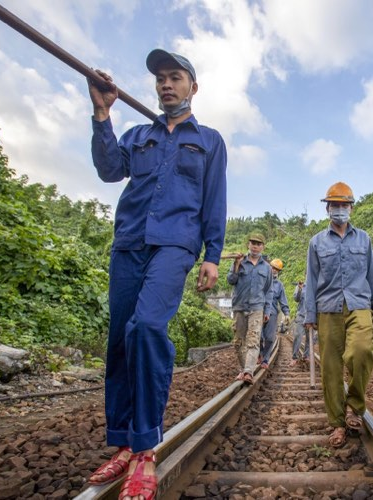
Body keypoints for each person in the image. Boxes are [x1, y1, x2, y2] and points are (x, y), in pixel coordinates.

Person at [86, 49, 227, 500]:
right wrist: (102, 113)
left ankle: (146, 448)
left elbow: (214, 199)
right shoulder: (135, 135)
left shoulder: (208, 140)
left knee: (146, 328)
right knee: (121, 341)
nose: (167, 84)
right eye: (161, 79)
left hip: (175, 245)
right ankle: (125, 443)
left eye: (176, 77)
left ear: (193, 87)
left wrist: (213, 254)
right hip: (128, 243)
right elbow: (109, 170)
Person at [304, 182, 373, 448]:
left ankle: (355, 406)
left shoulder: (364, 239)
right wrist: (309, 314)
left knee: (360, 352)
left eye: (344, 205)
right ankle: (337, 424)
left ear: (351, 208)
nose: (339, 210)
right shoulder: (316, 242)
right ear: (328, 208)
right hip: (328, 308)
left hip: (359, 305)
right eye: (335, 205)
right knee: (330, 368)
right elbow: (311, 278)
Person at [227, 233, 274, 384]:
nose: (255, 246)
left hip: (257, 307)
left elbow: (269, 290)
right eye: (253, 243)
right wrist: (236, 265)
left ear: (263, 247)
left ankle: (248, 371)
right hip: (240, 307)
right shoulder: (240, 262)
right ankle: (243, 369)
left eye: (258, 243)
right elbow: (231, 280)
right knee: (239, 341)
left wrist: (267, 311)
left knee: (253, 340)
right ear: (248, 244)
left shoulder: (266, 268)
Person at [259, 259, 290, 368]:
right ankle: (260, 354)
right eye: (272, 267)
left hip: (272, 313)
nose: (274, 270)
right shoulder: (261, 279)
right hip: (258, 311)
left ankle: (265, 359)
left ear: (279, 271)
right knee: (259, 336)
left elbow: (283, 300)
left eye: (277, 269)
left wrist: (286, 313)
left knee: (270, 338)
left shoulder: (279, 285)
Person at [290, 281, 310, 366]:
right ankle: (294, 357)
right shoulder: (300, 286)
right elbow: (296, 299)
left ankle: (306, 356)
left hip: (311, 316)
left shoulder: (315, 285)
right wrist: (300, 289)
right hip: (301, 315)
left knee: (310, 338)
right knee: (298, 336)